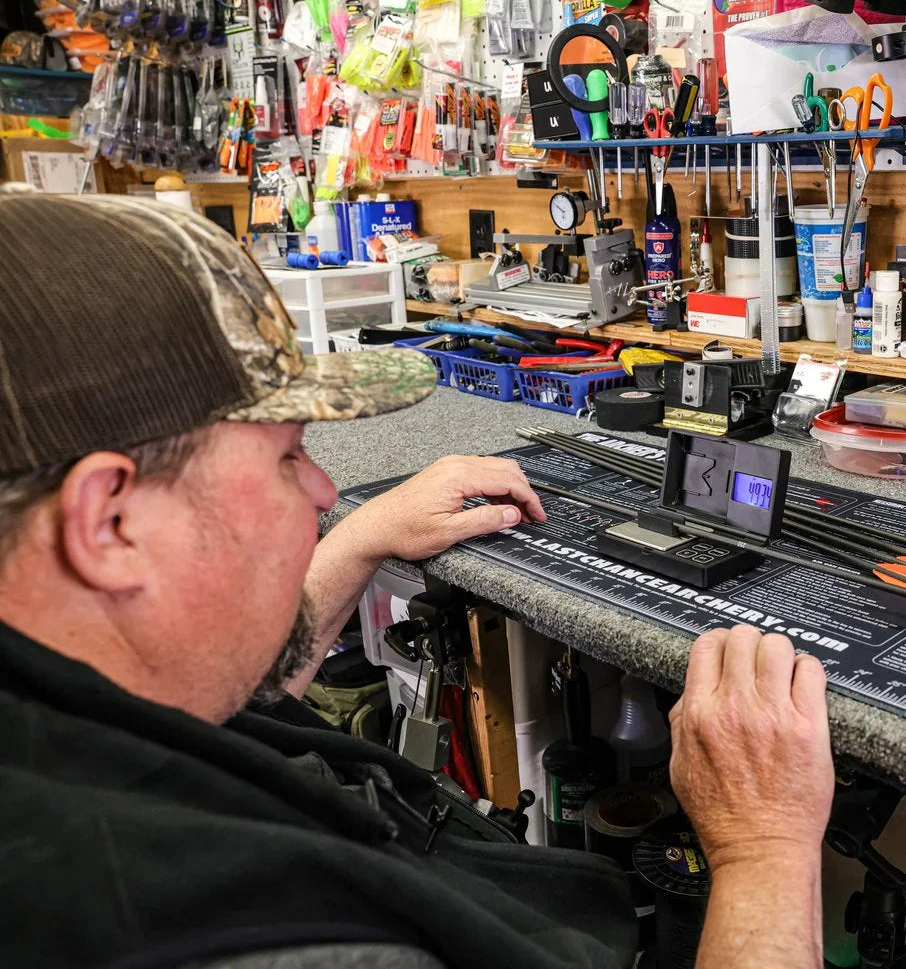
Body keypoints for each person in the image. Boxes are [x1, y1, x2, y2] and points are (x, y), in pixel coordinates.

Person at [0, 192, 833, 968]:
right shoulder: (251, 936)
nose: (324, 490)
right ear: (108, 523)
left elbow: (208, 685)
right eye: (288, 455)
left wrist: (360, 541)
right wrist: (762, 849)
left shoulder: (61, 719)